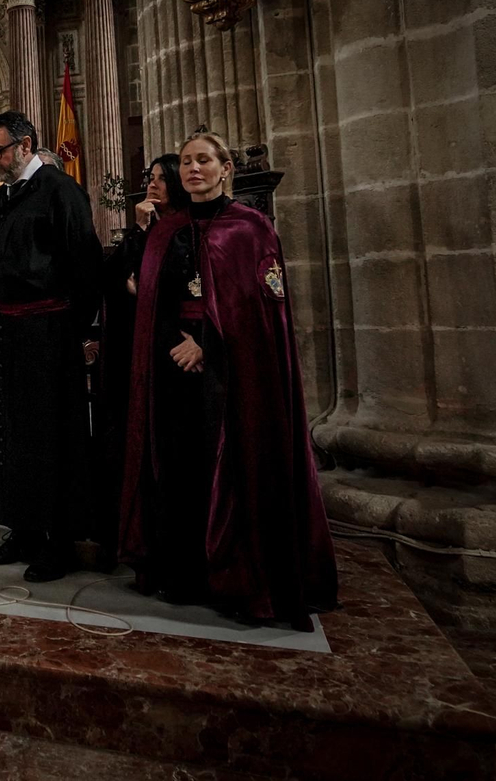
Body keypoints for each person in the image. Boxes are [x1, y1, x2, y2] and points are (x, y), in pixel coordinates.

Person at [122, 132, 337, 631]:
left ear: (225, 169)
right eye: (188, 162)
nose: (194, 169)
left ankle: (237, 578)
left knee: (231, 470)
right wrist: (176, 340)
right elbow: (152, 300)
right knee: (178, 467)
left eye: (205, 160)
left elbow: (262, 310)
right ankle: (186, 573)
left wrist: (206, 344)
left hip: (231, 375)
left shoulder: (250, 229)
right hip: (173, 367)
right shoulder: (166, 231)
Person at [0, 110, 102, 581]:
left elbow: (84, 263)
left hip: (46, 333)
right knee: (10, 434)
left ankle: (58, 539)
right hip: (6, 332)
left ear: (25, 146)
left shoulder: (60, 190)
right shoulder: (3, 196)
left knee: (50, 438)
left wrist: (74, 329)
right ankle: (23, 527)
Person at [91, 154, 184, 560]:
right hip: (130, 348)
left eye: (162, 179)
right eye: (151, 177)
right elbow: (116, 280)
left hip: (173, 350)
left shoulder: (187, 231)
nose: (153, 184)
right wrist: (141, 232)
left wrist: (141, 286)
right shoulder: (143, 229)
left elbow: (163, 286)